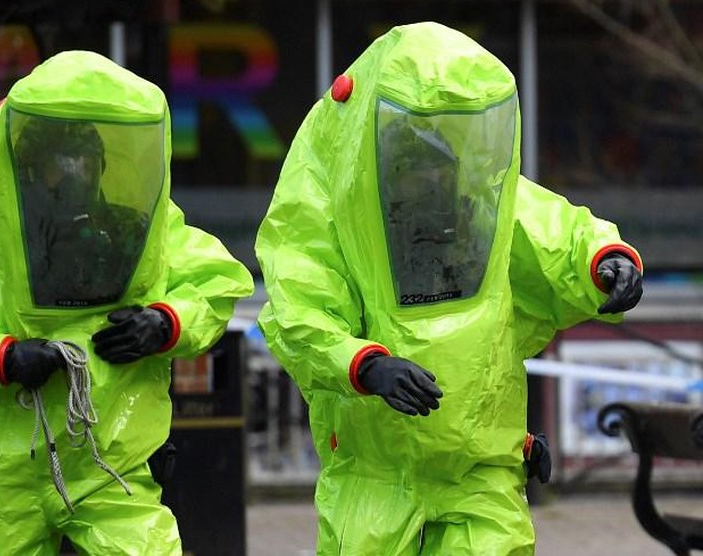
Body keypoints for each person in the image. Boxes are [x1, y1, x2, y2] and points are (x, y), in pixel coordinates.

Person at [255, 22, 643, 555]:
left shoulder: (475, 210)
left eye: (437, 166)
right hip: (376, 482)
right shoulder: (334, 217)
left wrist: (607, 260)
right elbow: (298, 315)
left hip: (480, 473)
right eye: (413, 166)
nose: (431, 182)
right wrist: (366, 365)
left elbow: (555, 233)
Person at [0, 50, 254, 555]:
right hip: (0, 471)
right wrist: (3, 358)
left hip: (110, 461)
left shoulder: (132, 227)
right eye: (60, 161)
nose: (75, 175)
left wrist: (165, 324)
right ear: (29, 163)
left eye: (86, 160)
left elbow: (214, 281)